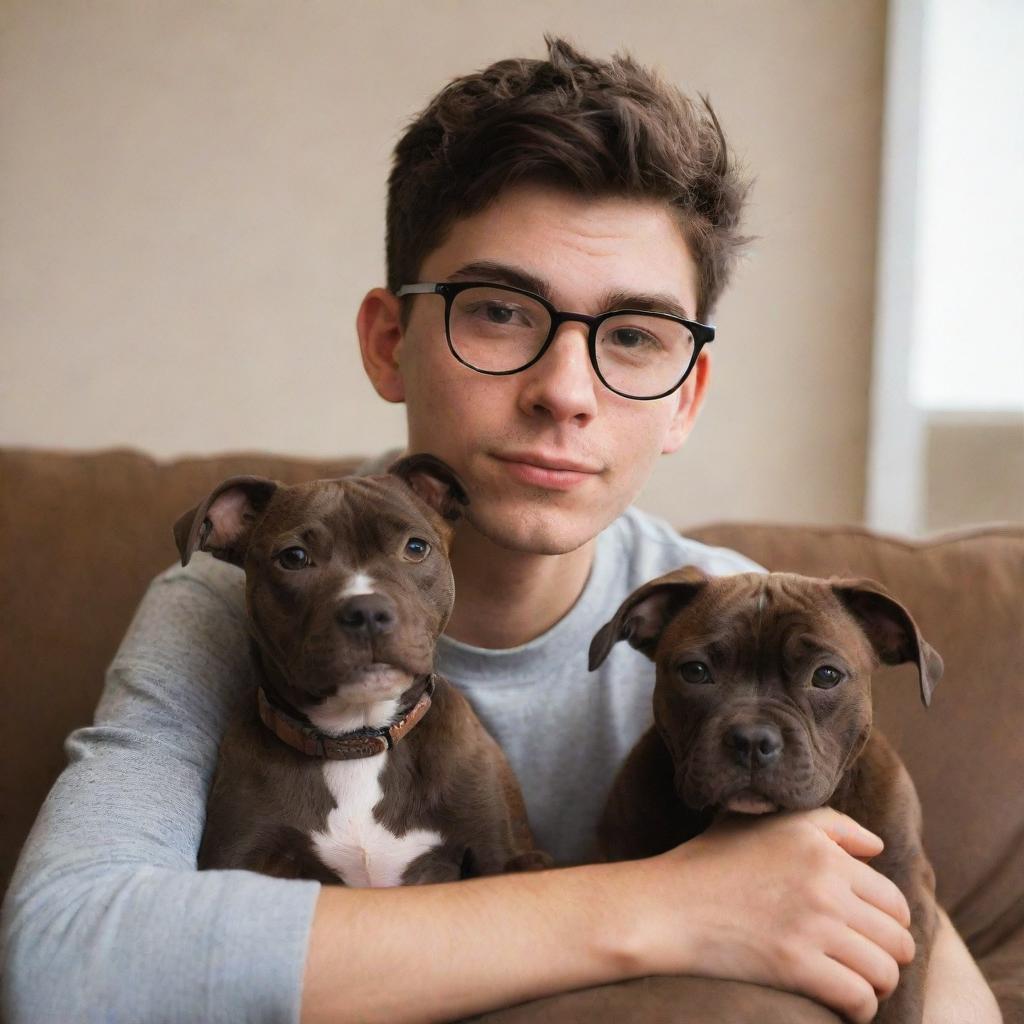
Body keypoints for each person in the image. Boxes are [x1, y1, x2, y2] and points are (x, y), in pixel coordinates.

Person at [0, 36, 999, 1024]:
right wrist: (658, 904)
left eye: (635, 336)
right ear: (390, 343)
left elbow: (930, 970)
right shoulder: (231, 600)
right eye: (499, 314)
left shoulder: (735, 626)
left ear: (685, 396)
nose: (563, 392)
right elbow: (66, 959)